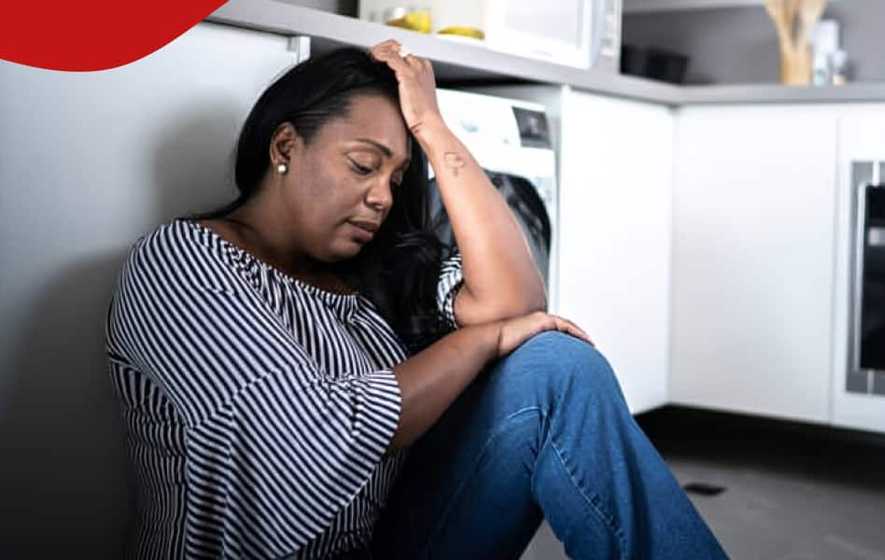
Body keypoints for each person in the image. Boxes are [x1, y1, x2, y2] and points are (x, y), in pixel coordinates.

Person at [104, 38, 728, 559]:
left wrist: (434, 127)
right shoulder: (183, 261)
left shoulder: (370, 273)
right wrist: (481, 340)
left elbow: (518, 305)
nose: (382, 196)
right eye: (362, 165)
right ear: (285, 147)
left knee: (558, 367)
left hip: (387, 543)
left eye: (397, 177)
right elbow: (319, 438)